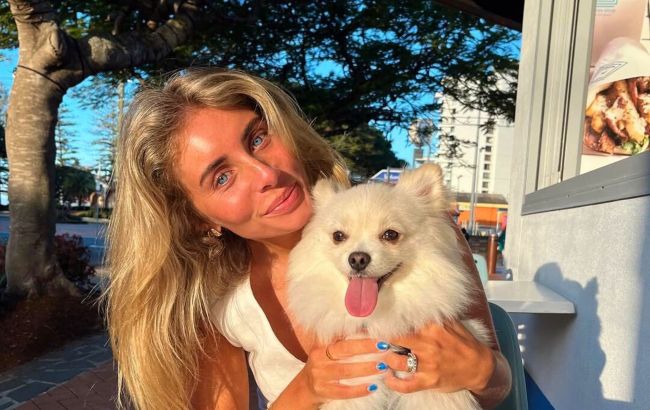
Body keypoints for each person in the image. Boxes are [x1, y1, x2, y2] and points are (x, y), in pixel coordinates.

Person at [104, 68, 512, 410]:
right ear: (197, 219)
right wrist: (309, 388)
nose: (266, 175)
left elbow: (497, 388)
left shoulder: (420, 232)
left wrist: (483, 370)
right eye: (222, 177)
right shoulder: (219, 302)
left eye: (258, 138)